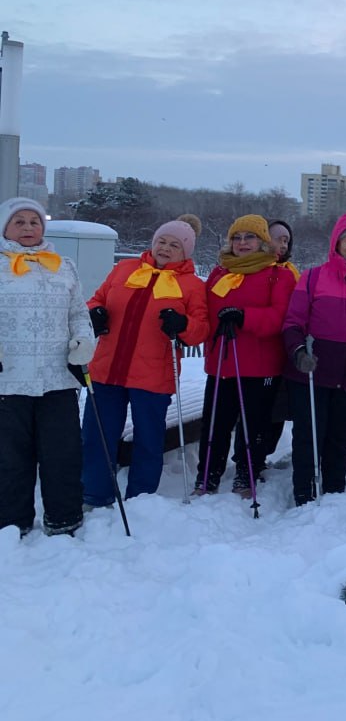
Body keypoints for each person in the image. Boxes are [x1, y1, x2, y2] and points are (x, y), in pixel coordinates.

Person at [81, 216, 210, 506]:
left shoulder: (191, 285)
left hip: (153, 374)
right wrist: (96, 312)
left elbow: (201, 329)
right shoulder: (125, 269)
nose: (165, 248)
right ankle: (94, 493)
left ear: (186, 251)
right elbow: (96, 299)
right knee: (97, 435)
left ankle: (140, 499)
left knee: (148, 441)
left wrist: (182, 324)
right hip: (107, 367)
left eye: (174, 245)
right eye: (161, 241)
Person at [0, 198, 95, 536]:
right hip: (8, 380)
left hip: (58, 378)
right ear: (5, 227)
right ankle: (12, 522)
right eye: (19, 222)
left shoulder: (63, 265)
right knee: (10, 459)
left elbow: (77, 314)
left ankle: (64, 517)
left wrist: (83, 341)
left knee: (63, 454)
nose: (28, 228)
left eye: (34, 222)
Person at [281, 214, 346, 505]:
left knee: (340, 436)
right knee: (309, 435)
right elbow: (293, 322)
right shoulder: (313, 277)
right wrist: (298, 352)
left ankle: (333, 492)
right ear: (337, 242)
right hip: (312, 371)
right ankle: (304, 492)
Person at [195, 215, 292, 497]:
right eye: (237, 238)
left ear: (262, 241)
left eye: (249, 237)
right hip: (222, 362)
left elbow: (280, 316)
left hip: (260, 365)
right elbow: (203, 311)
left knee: (254, 424)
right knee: (215, 423)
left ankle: (246, 472)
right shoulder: (219, 273)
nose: (242, 243)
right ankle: (207, 474)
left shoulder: (278, 274)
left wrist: (245, 317)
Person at [259, 218, 300, 460]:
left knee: (276, 408)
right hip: (254, 352)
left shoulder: (291, 272)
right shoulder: (251, 269)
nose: (283, 245)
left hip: (283, 351)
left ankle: (263, 454)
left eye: (286, 240)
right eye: (278, 238)